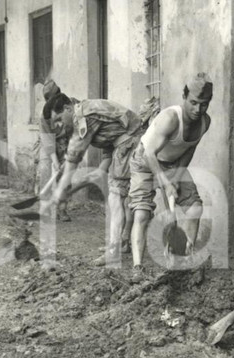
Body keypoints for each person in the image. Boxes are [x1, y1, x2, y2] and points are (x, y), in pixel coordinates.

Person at [45, 94, 145, 266]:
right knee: (124, 197)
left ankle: (113, 252)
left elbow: (73, 159)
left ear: (69, 109)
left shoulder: (83, 116)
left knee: (116, 198)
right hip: (128, 143)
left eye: (60, 119)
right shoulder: (87, 109)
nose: (60, 125)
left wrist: (60, 192)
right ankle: (124, 241)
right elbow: (110, 137)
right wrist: (98, 172)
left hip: (130, 144)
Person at [129, 74, 213, 273]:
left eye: (203, 104)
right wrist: (165, 183)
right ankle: (137, 267)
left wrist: (176, 176)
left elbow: (189, 148)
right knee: (141, 213)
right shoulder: (170, 119)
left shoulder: (204, 122)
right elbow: (150, 153)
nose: (197, 109)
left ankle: (184, 258)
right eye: (193, 103)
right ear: (184, 97)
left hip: (173, 163)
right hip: (144, 161)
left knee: (195, 209)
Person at [38, 81, 76, 222]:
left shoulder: (69, 108)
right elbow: (47, 140)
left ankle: (62, 209)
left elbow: (76, 134)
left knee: (66, 176)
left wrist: (68, 155)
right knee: (45, 172)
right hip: (48, 144)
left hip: (66, 142)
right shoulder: (45, 115)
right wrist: (54, 160)